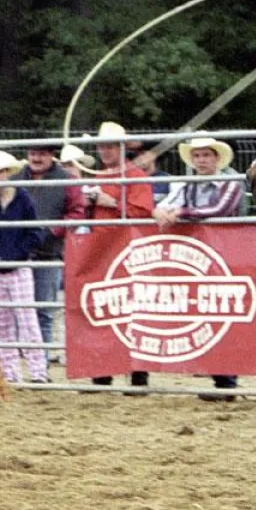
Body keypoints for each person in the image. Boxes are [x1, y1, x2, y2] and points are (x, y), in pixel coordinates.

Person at [154, 137, 244, 401]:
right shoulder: (185, 184)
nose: (202, 160)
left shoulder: (231, 182)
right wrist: (161, 212)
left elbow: (219, 209)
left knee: (223, 312)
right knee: (205, 311)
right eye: (198, 155)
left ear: (217, 158)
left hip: (228, 253)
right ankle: (220, 378)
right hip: (200, 256)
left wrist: (178, 213)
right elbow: (163, 205)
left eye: (206, 155)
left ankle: (227, 380)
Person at [86, 122, 153, 389]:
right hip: (103, 248)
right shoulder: (99, 177)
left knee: (133, 311)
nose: (105, 151)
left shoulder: (136, 176)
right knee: (104, 308)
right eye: (102, 146)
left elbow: (143, 212)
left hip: (128, 249)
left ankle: (138, 371)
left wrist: (110, 203)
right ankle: (103, 369)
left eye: (110, 146)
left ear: (122, 148)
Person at [0, 150, 46, 384]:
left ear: (7, 173)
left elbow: (36, 232)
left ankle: (38, 372)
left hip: (18, 266)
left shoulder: (23, 199)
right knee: (0, 321)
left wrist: (20, 253)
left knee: (26, 319)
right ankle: (9, 372)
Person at [11, 142, 87, 353]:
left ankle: (39, 366)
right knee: (16, 310)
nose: (36, 158)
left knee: (43, 310)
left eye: (41, 154)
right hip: (18, 255)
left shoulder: (66, 180)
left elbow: (77, 212)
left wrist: (53, 230)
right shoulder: (15, 178)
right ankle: (17, 367)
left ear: (51, 155)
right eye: (33, 153)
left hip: (48, 253)